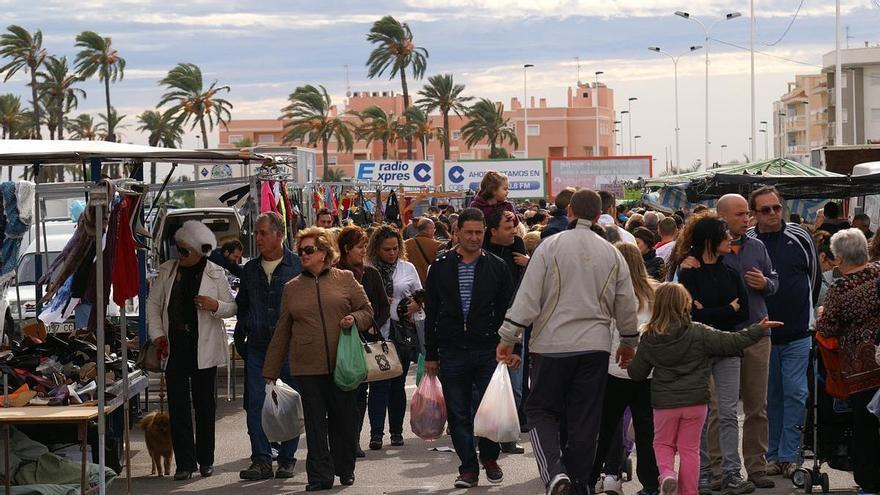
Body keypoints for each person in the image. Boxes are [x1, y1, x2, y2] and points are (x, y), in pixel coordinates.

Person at [497, 189, 639, 495]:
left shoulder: (550, 247)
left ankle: (554, 473)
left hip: (551, 346)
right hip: (596, 347)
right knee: (586, 418)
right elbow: (626, 303)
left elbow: (528, 297)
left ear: (570, 212)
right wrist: (629, 342)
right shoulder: (611, 252)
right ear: (601, 213)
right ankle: (579, 483)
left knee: (540, 410)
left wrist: (508, 336)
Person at [627, 282, 781, 495]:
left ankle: (667, 475)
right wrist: (758, 329)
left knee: (663, 444)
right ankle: (690, 491)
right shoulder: (698, 332)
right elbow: (732, 342)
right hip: (696, 402)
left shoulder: (650, 337)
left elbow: (637, 374)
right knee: (690, 450)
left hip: (665, 403)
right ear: (685, 304)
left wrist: (631, 361)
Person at [263, 227, 373, 491]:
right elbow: (282, 330)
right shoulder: (292, 288)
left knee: (343, 420)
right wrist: (271, 369)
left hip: (343, 365)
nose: (303, 255)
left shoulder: (345, 278)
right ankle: (319, 476)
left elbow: (367, 311)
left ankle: (345, 468)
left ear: (324, 252)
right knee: (314, 424)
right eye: (301, 250)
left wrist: (354, 319)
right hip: (307, 366)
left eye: (309, 250)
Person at [424, 208, 515, 488]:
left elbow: (506, 313)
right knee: (459, 412)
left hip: (488, 349)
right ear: (457, 233)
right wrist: (431, 354)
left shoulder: (497, 267)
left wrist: (509, 348)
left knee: (489, 410)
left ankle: (489, 457)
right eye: (469, 232)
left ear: (485, 232)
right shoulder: (440, 266)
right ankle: (468, 468)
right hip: (452, 350)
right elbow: (432, 312)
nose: (474, 237)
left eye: (479, 232)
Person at [696, 194, 780, 491]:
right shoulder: (708, 251)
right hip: (722, 338)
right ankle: (718, 470)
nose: (748, 219)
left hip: (757, 333)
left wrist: (766, 284)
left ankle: (756, 466)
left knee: (757, 406)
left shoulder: (757, 246)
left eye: (748, 214)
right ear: (721, 216)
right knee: (719, 409)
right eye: (741, 214)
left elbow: (774, 281)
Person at [147, 220, 237, 480]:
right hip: (174, 346)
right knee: (178, 407)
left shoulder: (215, 273)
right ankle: (184, 464)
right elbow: (153, 306)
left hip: (204, 346)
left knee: (205, 406)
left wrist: (214, 305)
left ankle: (205, 459)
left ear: (201, 250)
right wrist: (158, 336)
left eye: (186, 251)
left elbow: (231, 307)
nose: (180, 255)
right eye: (178, 249)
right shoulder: (166, 270)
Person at [673, 214, 754, 495]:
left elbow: (744, 310)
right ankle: (703, 473)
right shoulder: (687, 272)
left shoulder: (730, 271)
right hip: (699, 350)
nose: (730, 238)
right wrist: (726, 310)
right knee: (702, 413)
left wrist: (711, 311)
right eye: (725, 235)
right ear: (710, 240)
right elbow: (691, 314)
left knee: (729, 412)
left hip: (728, 348)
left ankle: (732, 473)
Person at [746, 186, 819, 480]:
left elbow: (813, 278)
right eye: (766, 210)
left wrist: (805, 312)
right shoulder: (748, 242)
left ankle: (789, 455)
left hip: (798, 331)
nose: (774, 214)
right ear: (755, 214)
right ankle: (772, 454)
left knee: (796, 394)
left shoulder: (800, 237)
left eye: (777, 208)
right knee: (768, 398)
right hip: (762, 335)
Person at [236, 212, 303, 481]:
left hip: (290, 349)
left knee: (289, 404)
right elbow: (243, 304)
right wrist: (244, 331)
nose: (258, 238)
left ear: (279, 234)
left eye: (263, 233)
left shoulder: (297, 266)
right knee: (256, 405)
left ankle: (286, 459)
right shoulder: (250, 269)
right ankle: (261, 460)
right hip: (258, 349)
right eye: (257, 232)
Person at [590, 242, 660, 495]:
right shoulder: (656, 293)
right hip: (648, 372)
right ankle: (651, 483)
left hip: (614, 369)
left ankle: (594, 478)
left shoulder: (610, 293)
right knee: (646, 431)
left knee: (606, 428)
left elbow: (604, 333)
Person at [815, 228, 880, 495]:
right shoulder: (879, 274)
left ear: (839, 258)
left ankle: (870, 482)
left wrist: (820, 314)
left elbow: (827, 328)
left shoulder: (840, 288)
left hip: (858, 370)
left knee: (865, 427)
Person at [335, 226, 391, 458]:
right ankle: (343, 439)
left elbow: (383, 308)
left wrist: (370, 323)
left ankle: (353, 440)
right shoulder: (335, 273)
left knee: (360, 394)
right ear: (347, 249)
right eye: (360, 247)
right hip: (341, 344)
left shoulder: (371, 274)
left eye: (365, 247)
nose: (363, 251)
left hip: (366, 344)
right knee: (343, 395)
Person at [366, 225, 422, 451]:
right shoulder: (368, 270)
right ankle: (376, 434)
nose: (391, 253)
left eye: (395, 248)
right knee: (379, 385)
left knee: (397, 385)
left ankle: (396, 432)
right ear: (376, 249)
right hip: (377, 333)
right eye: (386, 249)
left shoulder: (407, 268)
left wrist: (415, 305)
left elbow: (420, 293)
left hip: (401, 334)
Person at [483, 210, 529, 454]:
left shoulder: (518, 246)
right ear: (493, 231)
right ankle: (488, 437)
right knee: (486, 385)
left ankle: (509, 436)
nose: (514, 232)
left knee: (514, 386)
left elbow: (526, 286)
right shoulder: (480, 251)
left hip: (515, 326)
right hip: (486, 330)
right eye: (508, 227)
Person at [404, 217, 443, 285]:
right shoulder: (438, 245)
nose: (434, 231)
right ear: (429, 230)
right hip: (431, 284)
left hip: (412, 285)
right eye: (434, 228)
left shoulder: (406, 244)